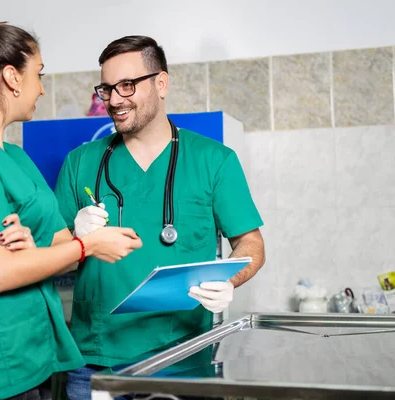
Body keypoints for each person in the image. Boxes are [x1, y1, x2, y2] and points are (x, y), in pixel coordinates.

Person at [0, 11, 142, 400]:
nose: (41, 89)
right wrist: (87, 244)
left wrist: (56, 244)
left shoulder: (16, 156)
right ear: (12, 77)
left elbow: (61, 249)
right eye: (38, 74)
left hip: (35, 356)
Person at [53, 35, 266, 399]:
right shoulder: (79, 162)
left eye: (127, 85)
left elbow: (251, 243)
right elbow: (49, 258)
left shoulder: (214, 160)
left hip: (184, 358)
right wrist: (76, 238)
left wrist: (230, 281)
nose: (115, 100)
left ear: (161, 83)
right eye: (107, 89)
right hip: (95, 360)